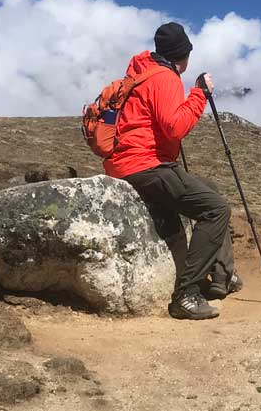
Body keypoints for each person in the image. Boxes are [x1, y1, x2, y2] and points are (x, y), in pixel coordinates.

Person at [104, 22, 242, 320]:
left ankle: (222, 275)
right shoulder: (165, 78)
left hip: (127, 162)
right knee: (216, 209)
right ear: (184, 55)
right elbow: (175, 128)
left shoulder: (140, 73)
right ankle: (187, 295)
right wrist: (199, 94)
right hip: (145, 165)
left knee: (208, 192)